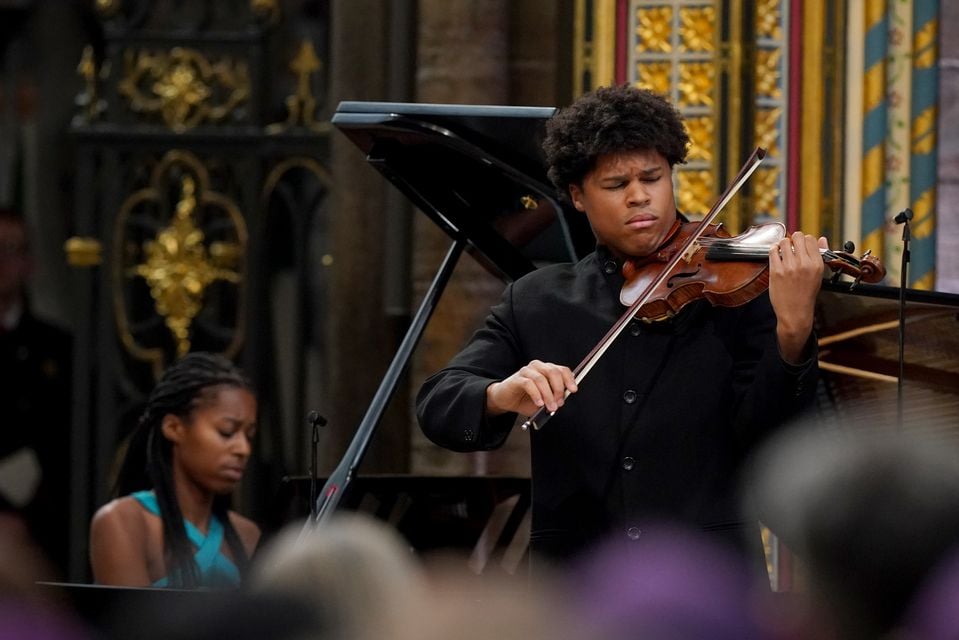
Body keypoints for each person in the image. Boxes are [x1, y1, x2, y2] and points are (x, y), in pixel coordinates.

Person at [416, 84, 826, 568]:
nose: (639, 197)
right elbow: (438, 403)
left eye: (652, 178)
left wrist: (794, 333)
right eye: (616, 185)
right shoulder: (536, 299)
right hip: (575, 580)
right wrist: (499, 395)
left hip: (705, 576)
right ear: (577, 196)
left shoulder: (736, 295)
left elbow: (774, 440)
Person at [89, 352, 260, 588]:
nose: (243, 449)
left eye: (249, 436)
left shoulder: (248, 535)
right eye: (227, 431)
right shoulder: (125, 523)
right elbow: (130, 624)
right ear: (174, 427)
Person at [0, 208, 72, 577]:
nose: (2, 261)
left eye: (12, 250)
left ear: (28, 263)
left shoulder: (57, 347)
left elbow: (70, 441)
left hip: (40, 528)